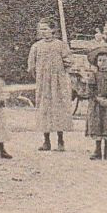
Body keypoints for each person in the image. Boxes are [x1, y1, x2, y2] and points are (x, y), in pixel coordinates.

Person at [27, 19, 75, 151]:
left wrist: (61, 73)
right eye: (41, 29)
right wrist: (39, 76)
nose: (43, 32)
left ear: (53, 30)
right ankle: (46, 141)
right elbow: (31, 66)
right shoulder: (36, 47)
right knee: (44, 108)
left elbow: (69, 61)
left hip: (58, 82)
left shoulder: (60, 45)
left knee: (58, 108)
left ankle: (60, 140)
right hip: (43, 83)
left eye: (46, 29)